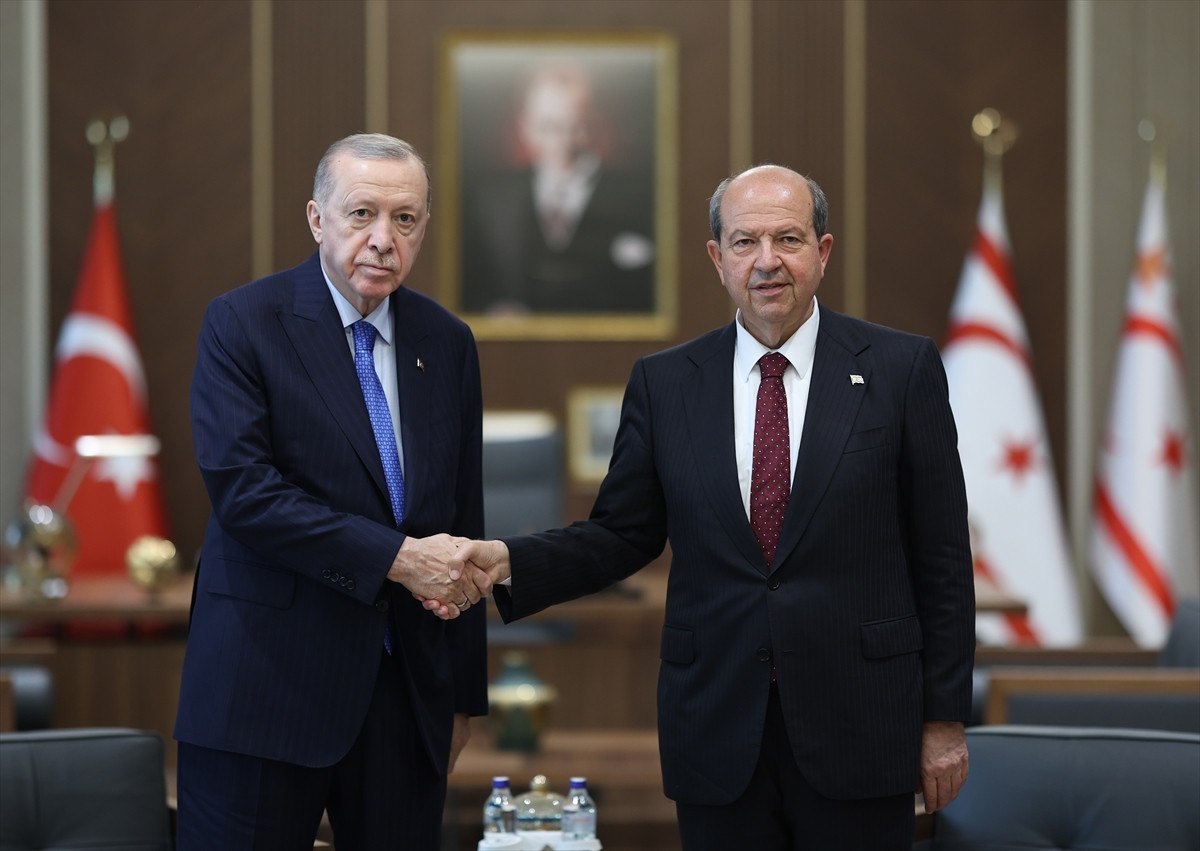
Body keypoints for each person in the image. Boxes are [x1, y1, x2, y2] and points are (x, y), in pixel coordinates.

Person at [438, 165, 976, 849]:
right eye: (745, 242)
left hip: (862, 724)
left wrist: (944, 720)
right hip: (719, 727)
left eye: (788, 239)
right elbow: (621, 534)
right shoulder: (666, 383)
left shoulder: (901, 369)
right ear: (718, 259)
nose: (767, 261)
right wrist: (508, 560)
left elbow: (942, 559)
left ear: (823, 251)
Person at [175, 134, 489, 850]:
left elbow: (463, 521)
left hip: (404, 700)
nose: (383, 239)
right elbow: (247, 494)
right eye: (361, 214)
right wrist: (398, 559)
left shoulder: (447, 341)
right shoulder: (243, 322)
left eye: (404, 219)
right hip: (265, 689)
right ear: (318, 219)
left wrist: (462, 698)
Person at [461, 61, 656, 315]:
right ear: (525, 127)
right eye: (548, 126)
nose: (561, 141)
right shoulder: (493, 200)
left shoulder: (639, 198)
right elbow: (470, 284)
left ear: (595, 125)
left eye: (575, 126)